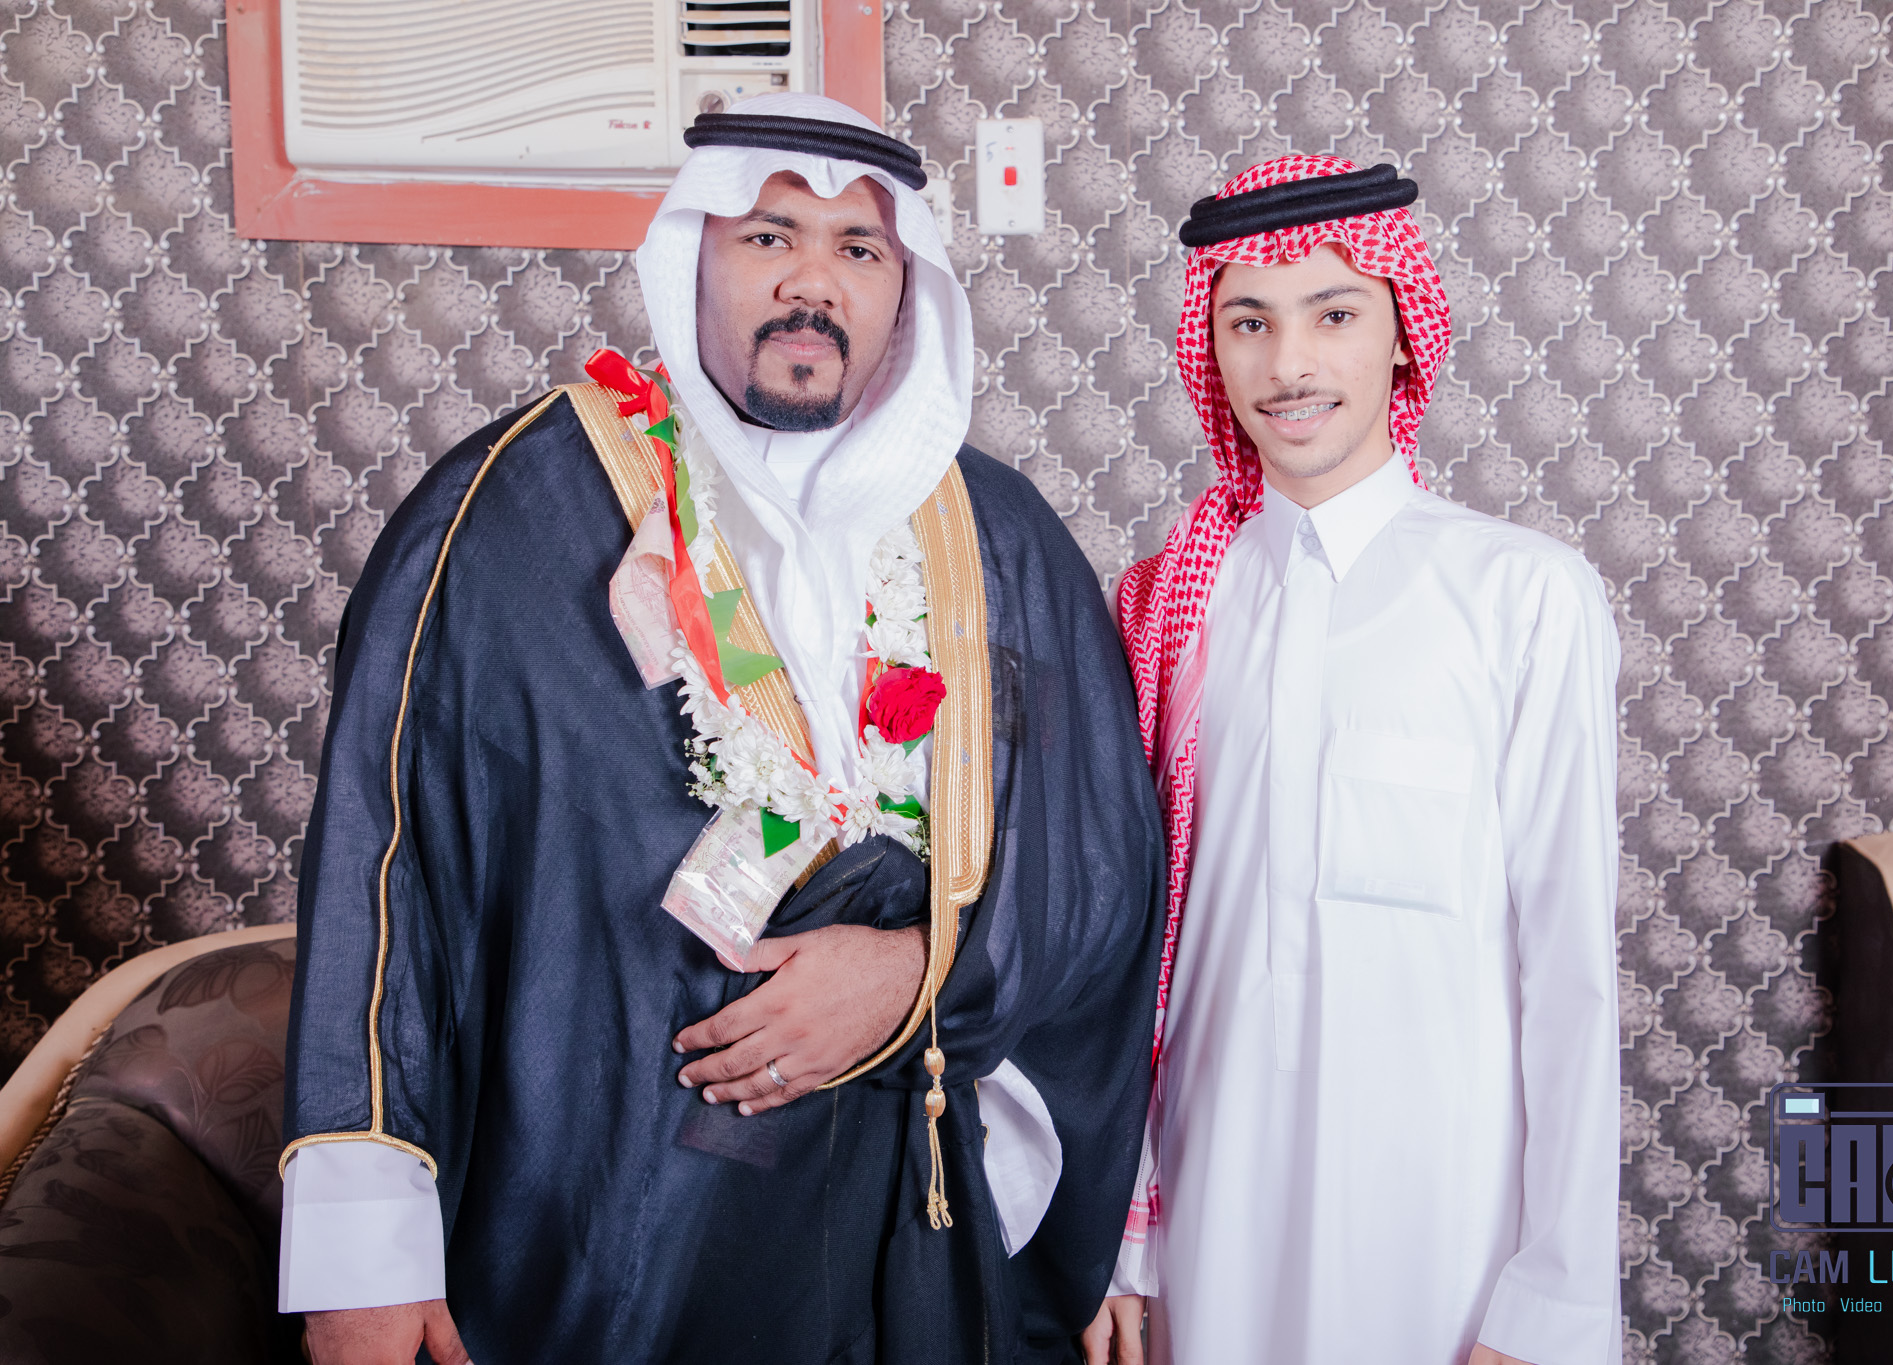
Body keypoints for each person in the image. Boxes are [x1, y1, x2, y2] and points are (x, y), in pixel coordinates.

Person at [281, 93, 1165, 1365]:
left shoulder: (1000, 541)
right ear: (690, 256)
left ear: (903, 287)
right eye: (766, 237)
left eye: (857, 248)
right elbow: (387, 870)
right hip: (601, 1230)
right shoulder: (513, 514)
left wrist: (917, 978)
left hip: (899, 1234)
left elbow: (1097, 872)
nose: (812, 282)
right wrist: (364, 1254)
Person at [1088, 155, 1623, 1365]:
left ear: (1400, 338)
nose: (1289, 364)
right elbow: (1127, 958)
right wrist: (1118, 1244)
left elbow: (1569, 979)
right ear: (1209, 352)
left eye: (1332, 315)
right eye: (1249, 323)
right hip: (1208, 1216)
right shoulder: (1170, 604)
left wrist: (1550, 1301)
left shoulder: (1521, 594)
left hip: (1443, 1223)